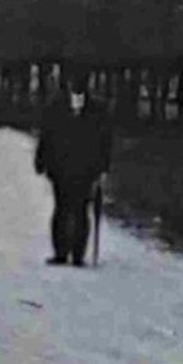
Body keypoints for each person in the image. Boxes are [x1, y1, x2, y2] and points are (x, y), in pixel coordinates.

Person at [34, 72, 113, 267]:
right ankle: (60, 253)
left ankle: (78, 254)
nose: (76, 87)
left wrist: (103, 169)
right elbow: (47, 135)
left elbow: (104, 141)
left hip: (86, 169)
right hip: (60, 167)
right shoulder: (55, 107)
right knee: (61, 208)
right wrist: (41, 161)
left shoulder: (98, 110)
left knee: (80, 210)